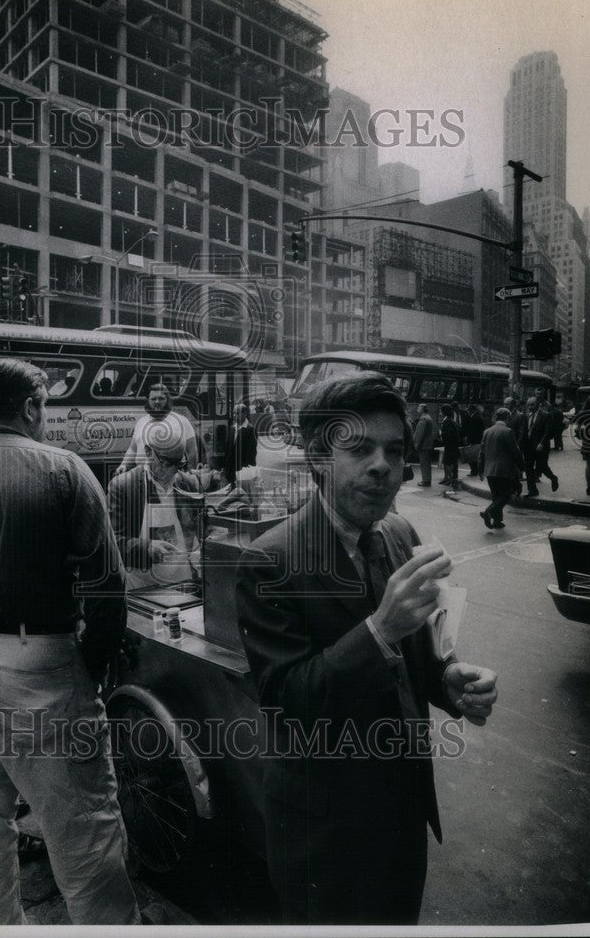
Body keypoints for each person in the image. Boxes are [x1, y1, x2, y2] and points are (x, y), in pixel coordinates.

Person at [235, 373, 498, 925]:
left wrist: (447, 678)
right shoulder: (271, 561)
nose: (383, 465)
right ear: (318, 459)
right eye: (359, 448)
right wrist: (379, 628)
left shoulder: (399, 532)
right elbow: (287, 701)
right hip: (322, 832)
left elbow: (414, 656)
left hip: (403, 814)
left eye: (395, 451)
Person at [0, 358, 139, 926]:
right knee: (85, 838)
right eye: (44, 409)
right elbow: (107, 586)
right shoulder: (63, 469)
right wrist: (93, 667)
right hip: (38, 674)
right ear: (30, 407)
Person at [107, 425, 202, 590]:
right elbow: (111, 542)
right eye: (166, 462)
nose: (173, 470)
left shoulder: (188, 484)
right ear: (148, 452)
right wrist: (147, 547)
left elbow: (203, 530)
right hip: (140, 586)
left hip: (182, 582)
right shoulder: (123, 487)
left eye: (178, 464)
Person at [115, 382, 198, 473]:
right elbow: (133, 449)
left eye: (161, 399)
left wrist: (190, 474)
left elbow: (192, 452)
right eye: (153, 399)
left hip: (171, 479)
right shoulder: (141, 422)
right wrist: (124, 465)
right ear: (148, 401)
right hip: (143, 477)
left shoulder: (182, 421)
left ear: (167, 400)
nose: (157, 402)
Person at [477, 407, 524, 529]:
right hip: (504, 470)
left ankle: (497, 521)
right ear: (507, 417)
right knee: (505, 495)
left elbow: (481, 453)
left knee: (496, 495)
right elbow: (515, 452)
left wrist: (480, 470)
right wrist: (521, 466)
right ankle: (488, 512)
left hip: (489, 470)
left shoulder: (486, 431)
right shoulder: (508, 431)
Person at [522, 393, 558, 497]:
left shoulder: (546, 415)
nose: (530, 407)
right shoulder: (527, 415)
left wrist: (542, 443)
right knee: (528, 468)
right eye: (528, 405)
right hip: (529, 446)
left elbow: (548, 432)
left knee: (542, 466)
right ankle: (532, 490)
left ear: (538, 404)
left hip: (541, 447)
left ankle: (553, 478)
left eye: (532, 405)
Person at [224, 402, 258, 485]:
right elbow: (228, 450)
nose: (235, 416)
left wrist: (247, 470)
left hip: (242, 471)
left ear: (245, 414)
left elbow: (252, 453)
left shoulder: (250, 430)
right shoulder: (232, 428)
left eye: (237, 413)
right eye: (234, 413)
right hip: (230, 470)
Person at [574, 394, 590, 496]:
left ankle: (588, 485)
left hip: (587, 442)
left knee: (588, 465)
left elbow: (577, 429)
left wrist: (582, 435)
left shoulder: (583, 413)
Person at [439, 403, 461, 488]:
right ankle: (448, 478)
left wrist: (441, 434)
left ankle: (450, 479)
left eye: (441, 411)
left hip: (450, 445)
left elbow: (447, 434)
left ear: (444, 412)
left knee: (447, 462)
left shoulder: (447, 421)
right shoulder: (451, 420)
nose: (440, 413)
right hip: (453, 445)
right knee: (451, 462)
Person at [413, 403, 435, 486]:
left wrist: (417, 443)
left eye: (419, 408)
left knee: (424, 463)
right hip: (427, 444)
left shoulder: (423, 419)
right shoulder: (428, 417)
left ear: (422, 409)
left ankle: (426, 481)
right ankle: (427, 480)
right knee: (426, 463)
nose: (417, 409)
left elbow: (420, 433)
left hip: (424, 445)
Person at [464, 404, 486, 475]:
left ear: (472, 410)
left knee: (472, 457)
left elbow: (473, 431)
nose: (467, 411)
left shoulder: (475, 418)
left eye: (468, 409)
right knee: (475, 457)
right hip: (477, 440)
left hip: (475, 440)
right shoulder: (476, 417)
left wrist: (471, 441)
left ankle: (474, 471)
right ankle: (475, 470)